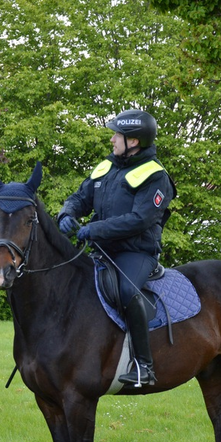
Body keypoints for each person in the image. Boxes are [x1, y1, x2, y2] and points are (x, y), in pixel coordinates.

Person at [57, 109, 175, 387]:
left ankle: (143, 366)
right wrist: (67, 214)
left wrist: (94, 229)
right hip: (101, 250)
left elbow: (140, 219)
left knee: (127, 291)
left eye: (117, 135)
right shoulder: (106, 167)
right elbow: (80, 197)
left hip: (136, 252)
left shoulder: (156, 176)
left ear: (133, 141)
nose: (112, 139)